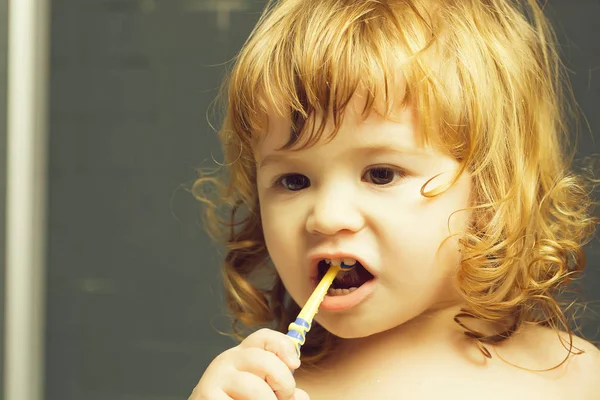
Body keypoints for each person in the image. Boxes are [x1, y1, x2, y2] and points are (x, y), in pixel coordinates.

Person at [188, 0, 600, 398]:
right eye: (294, 180)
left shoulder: (574, 380)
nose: (327, 218)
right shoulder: (274, 390)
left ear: (490, 189)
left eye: (381, 174)